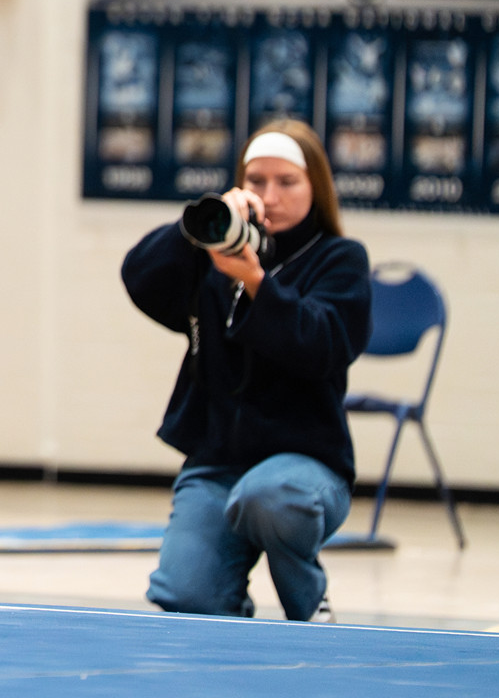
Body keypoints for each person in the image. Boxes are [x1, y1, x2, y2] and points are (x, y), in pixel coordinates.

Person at [121, 119, 372, 621]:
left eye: (287, 182)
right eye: (257, 181)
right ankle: (229, 599)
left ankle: (308, 602)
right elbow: (139, 277)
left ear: (314, 188)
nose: (270, 195)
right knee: (185, 597)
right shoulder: (214, 257)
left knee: (268, 496)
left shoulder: (340, 259)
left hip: (305, 465)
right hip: (219, 462)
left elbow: (322, 344)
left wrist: (258, 282)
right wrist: (195, 229)